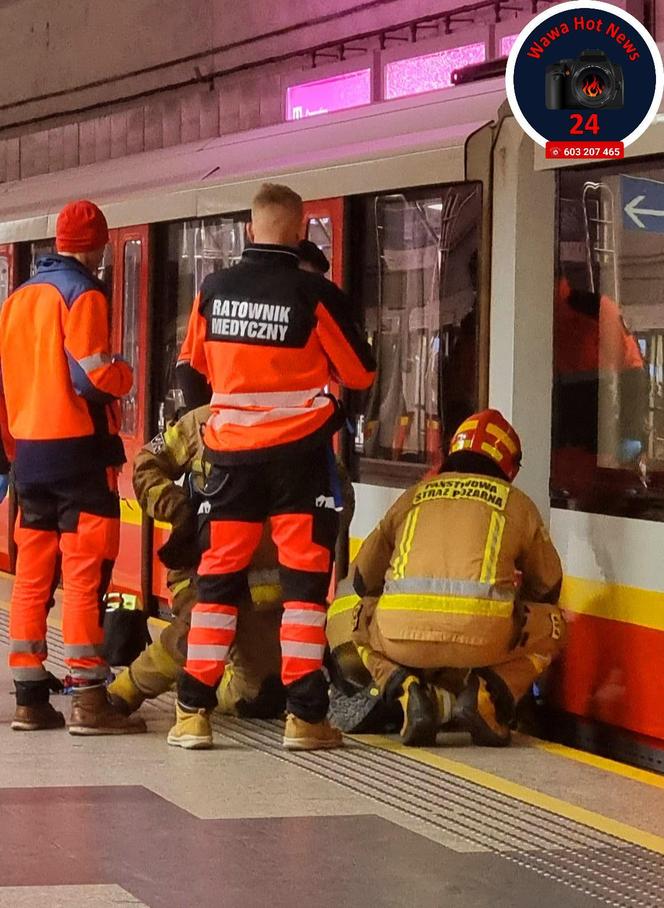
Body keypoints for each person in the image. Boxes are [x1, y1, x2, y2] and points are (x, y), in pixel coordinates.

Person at [170, 187, 375, 750]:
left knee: (216, 583)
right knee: (304, 589)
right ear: (300, 227)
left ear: (249, 227)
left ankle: (192, 713)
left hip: (230, 460)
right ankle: (305, 718)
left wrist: (221, 415)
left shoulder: (212, 291)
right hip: (298, 460)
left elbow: (191, 369)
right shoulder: (314, 294)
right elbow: (360, 374)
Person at [108, 405, 355, 724]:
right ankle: (123, 692)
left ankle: (216, 685)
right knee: (195, 631)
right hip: (204, 569)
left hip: (268, 591)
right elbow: (146, 463)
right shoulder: (202, 422)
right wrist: (180, 512)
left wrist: (310, 541)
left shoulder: (301, 424)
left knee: (258, 696)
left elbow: (340, 494)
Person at [0, 200, 145, 734]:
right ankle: (88, 698)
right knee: (84, 577)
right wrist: (124, 376)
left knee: (32, 576)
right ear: (98, 246)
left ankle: (30, 697)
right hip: (80, 455)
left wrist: (12, 447)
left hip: (31, 457)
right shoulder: (83, 293)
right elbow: (91, 376)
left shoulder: (16, 300)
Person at [344, 409, 565, 747]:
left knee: (357, 617)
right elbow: (548, 586)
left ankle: (404, 688)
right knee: (553, 624)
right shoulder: (517, 503)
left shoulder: (413, 496)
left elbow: (362, 579)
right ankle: (487, 696)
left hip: (402, 638)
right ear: (510, 466)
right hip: (485, 640)